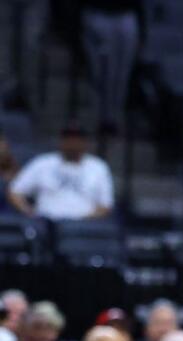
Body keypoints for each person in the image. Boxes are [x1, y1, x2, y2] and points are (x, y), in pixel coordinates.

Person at [6, 121, 114, 220]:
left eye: (77, 138)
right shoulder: (43, 162)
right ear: (61, 141)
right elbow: (15, 191)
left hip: (83, 225)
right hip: (47, 223)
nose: (72, 142)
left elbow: (105, 205)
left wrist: (86, 221)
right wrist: (29, 212)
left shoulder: (98, 167)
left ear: (84, 142)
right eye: (68, 138)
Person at [79, 0, 144, 136]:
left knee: (121, 76)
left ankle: (114, 120)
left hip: (126, 14)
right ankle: (99, 119)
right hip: (99, 14)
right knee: (102, 74)